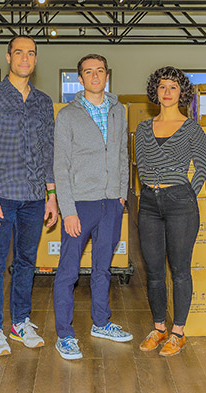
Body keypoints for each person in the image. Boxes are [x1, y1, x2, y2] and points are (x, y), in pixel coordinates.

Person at [0, 35, 57, 356]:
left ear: (36, 59)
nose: (25, 58)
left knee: (27, 262)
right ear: (9, 57)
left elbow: (48, 149)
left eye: (31, 53)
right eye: (19, 53)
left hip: (34, 196)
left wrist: (51, 195)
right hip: (0, 194)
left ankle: (20, 321)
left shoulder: (42, 101)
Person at [53, 54, 131, 360]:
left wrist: (121, 194)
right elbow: (61, 165)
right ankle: (65, 334)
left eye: (99, 71)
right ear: (80, 79)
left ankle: (101, 322)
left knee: (103, 267)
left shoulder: (118, 110)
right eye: (88, 72)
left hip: (111, 202)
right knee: (68, 270)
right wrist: (67, 209)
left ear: (107, 75)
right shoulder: (68, 115)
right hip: (80, 204)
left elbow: (123, 153)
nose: (95, 76)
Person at [135, 66, 206, 357]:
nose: (167, 92)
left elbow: (202, 168)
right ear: (156, 91)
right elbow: (141, 165)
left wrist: (185, 192)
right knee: (153, 271)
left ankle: (178, 332)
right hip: (149, 204)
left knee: (179, 270)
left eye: (173, 87)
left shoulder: (192, 129)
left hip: (180, 202)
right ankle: (159, 328)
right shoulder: (142, 129)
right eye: (163, 87)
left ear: (182, 93)